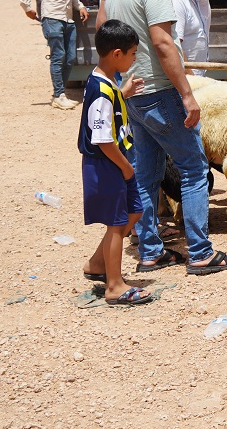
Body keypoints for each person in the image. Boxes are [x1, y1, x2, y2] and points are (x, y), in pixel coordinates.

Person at [103, 0, 227, 276]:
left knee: (146, 173)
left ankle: (150, 250)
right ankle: (200, 252)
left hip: (135, 91)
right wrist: (187, 94)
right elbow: (164, 44)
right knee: (194, 169)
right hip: (161, 91)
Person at [78, 19, 153, 305]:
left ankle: (98, 264)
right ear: (117, 54)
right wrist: (124, 166)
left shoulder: (107, 83)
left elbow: (108, 114)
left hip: (118, 161)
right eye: (133, 53)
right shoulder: (101, 90)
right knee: (116, 222)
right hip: (108, 163)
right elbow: (102, 138)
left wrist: (125, 93)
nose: (135, 58)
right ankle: (114, 286)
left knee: (134, 210)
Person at [20, 0, 88, 110]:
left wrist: (80, 6)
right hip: (52, 18)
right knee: (58, 56)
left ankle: (60, 93)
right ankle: (59, 95)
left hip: (68, 20)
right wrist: (27, 7)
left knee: (70, 58)